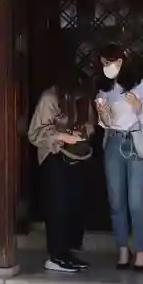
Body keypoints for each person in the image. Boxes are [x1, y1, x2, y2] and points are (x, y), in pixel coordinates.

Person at [94, 44, 143, 271]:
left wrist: (139, 107)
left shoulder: (142, 85)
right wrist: (103, 113)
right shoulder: (104, 89)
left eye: (113, 62)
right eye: (105, 63)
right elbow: (105, 123)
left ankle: (140, 251)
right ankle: (122, 248)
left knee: (136, 200)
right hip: (114, 141)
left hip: (137, 141)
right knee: (116, 200)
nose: (109, 66)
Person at [27, 75, 94, 273]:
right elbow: (34, 133)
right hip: (53, 155)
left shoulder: (83, 98)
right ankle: (56, 256)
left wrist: (82, 133)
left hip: (75, 155)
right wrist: (61, 136)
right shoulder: (50, 98)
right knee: (57, 205)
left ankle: (68, 252)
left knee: (74, 203)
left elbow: (91, 124)